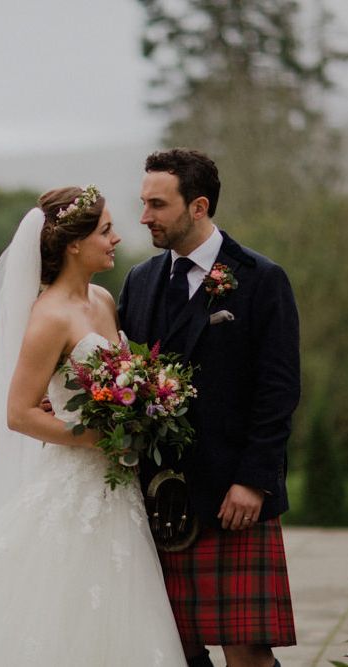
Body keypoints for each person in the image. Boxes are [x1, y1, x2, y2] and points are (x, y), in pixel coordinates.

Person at [0, 187, 187, 666]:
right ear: (74, 244)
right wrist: (97, 437)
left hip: (118, 488)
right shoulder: (47, 316)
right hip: (74, 482)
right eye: (106, 230)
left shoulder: (105, 300)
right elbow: (19, 412)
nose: (117, 238)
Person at [118, 149, 299, 667]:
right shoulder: (141, 280)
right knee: (173, 648)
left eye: (157, 204)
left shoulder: (262, 278)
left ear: (198, 207)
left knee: (247, 653)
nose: (145, 216)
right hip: (154, 495)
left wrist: (254, 480)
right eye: (143, 203)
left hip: (230, 494)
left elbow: (279, 390)